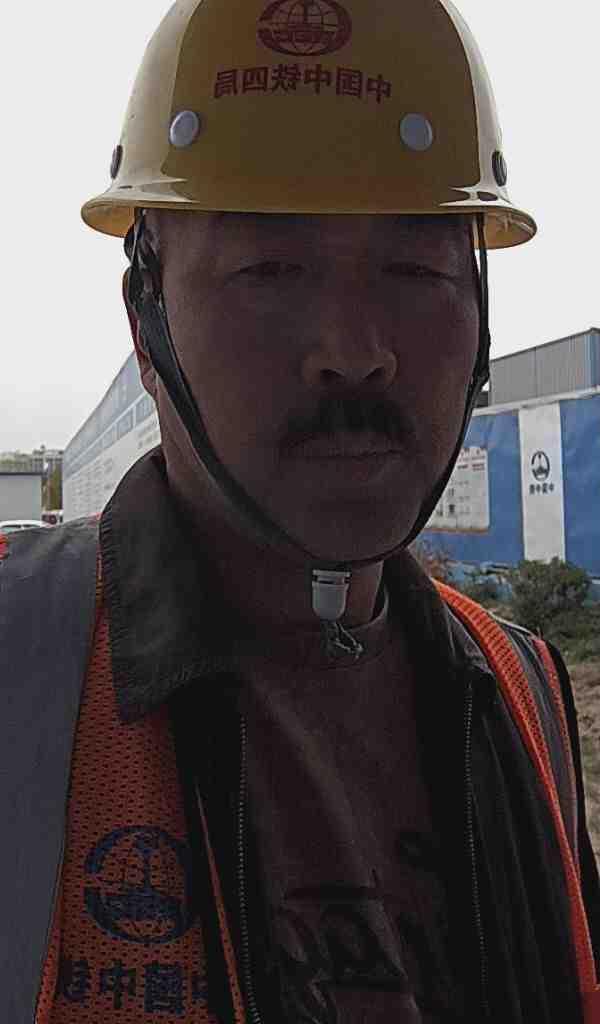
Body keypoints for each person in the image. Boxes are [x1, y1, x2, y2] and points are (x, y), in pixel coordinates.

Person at [2, 1, 600, 1022]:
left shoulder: (522, 689)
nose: (355, 351)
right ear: (146, 319)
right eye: (271, 270)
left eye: (416, 269)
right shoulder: (22, 664)